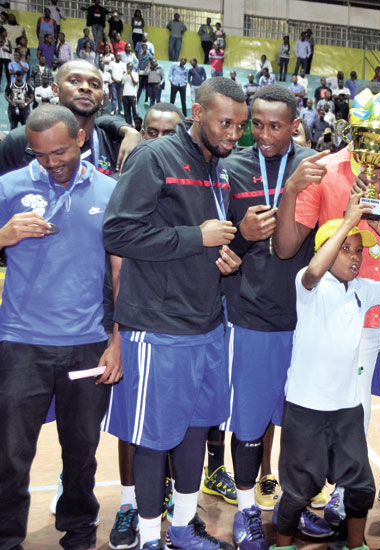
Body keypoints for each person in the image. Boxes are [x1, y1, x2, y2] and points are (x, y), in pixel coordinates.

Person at [274, 82, 380, 550]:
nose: (378, 133)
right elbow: (291, 247)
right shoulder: (324, 167)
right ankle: (347, 504)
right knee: (354, 416)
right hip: (355, 311)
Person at [102, 77, 247, 550]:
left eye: (239, 126)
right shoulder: (154, 157)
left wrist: (223, 257)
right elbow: (118, 233)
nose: (233, 134)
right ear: (198, 114)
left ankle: (183, 529)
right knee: (154, 439)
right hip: (159, 329)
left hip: (208, 325)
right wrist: (196, 238)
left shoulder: (218, 169)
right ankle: (148, 538)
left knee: (192, 431)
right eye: (225, 122)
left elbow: (207, 238)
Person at [0, 104, 121, 550]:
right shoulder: (9, 187)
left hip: (88, 345)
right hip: (19, 344)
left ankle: (79, 531)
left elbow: (119, 272)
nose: (51, 163)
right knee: (10, 457)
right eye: (40, 154)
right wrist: (3, 236)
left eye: (59, 152)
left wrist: (117, 339)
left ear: (81, 140)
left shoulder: (111, 191)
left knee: (81, 453)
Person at [273, 196, 380, 550]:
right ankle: (283, 544)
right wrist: (349, 221)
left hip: (347, 408)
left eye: (359, 251)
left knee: (361, 485)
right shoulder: (309, 286)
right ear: (326, 250)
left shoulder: (361, 290)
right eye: (346, 248)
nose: (355, 256)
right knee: (298, 489)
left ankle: (355, 544)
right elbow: (314, 271)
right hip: (306, 408)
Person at [220, 84, 321, 548]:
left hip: (308, 317)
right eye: (255, 124)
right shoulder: (231, 168)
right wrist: (239, 240)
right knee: (249, 422)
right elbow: (219, 246)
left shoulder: (315, 165)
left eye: (274, 126)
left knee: (302, 426)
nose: (262, 134)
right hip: (251, 316)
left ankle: (291, 507)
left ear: (294, 125)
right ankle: (246, 512)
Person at [108, 51, 127, 116]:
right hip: (113, 82)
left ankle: (120, 110)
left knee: (120, 98)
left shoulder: (123, 64)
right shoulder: (111, 63)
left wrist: (121, 80)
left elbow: (124, 73)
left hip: (121, 83)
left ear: (120, 57)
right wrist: (115, 79)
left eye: (119, 56)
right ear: (115, 56)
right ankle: (113, 110)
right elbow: (110, 72)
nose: (118, 57)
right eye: (116, 56)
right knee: (114, 97)